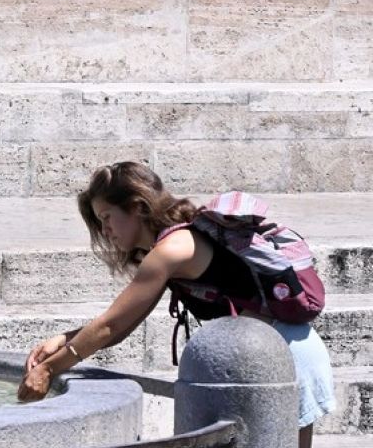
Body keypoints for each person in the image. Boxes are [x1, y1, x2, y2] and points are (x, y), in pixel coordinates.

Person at [17, 161, 335, 448]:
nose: (105, 231)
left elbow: (110, 325)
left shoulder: (172, 250)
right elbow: (120, 327)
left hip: (283, 354)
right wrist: (63, 340)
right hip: (277, 347)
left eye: (107, 218)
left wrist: (49, 368)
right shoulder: (170, 245)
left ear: (137, 207)